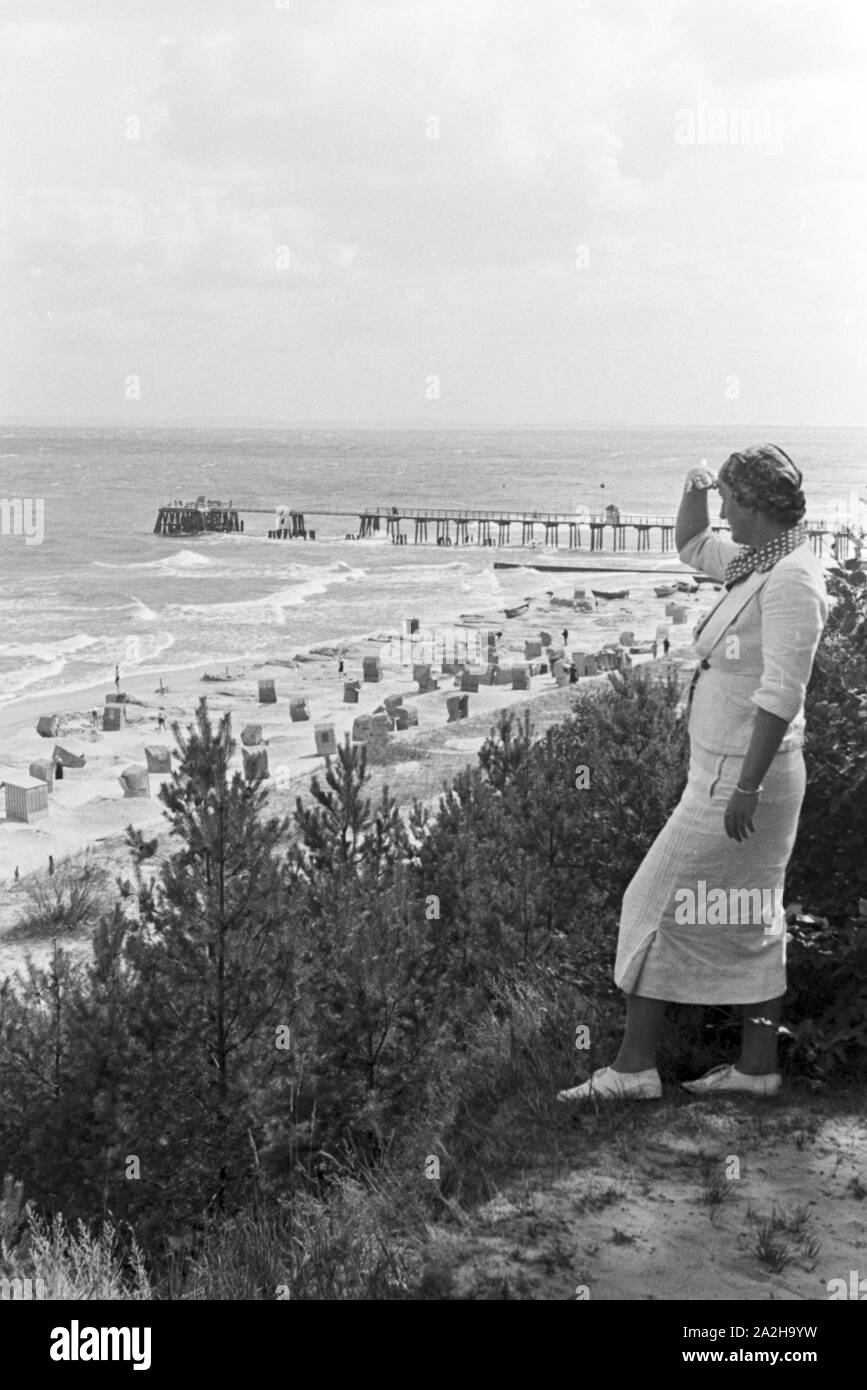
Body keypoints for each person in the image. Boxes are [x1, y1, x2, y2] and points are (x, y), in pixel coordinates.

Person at [558, 445, 827, 1104]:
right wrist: (695, 486)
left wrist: (746, 786)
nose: (724, 511)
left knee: (648, 903)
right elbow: (689, 541)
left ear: (759, 504)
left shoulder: (790, 577)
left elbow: (780, 694)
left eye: (732, 499)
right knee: (748, 915)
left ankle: (632, 1070)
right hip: (723, 774)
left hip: (743, 781)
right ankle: (756, 1069)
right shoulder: (757, 562)